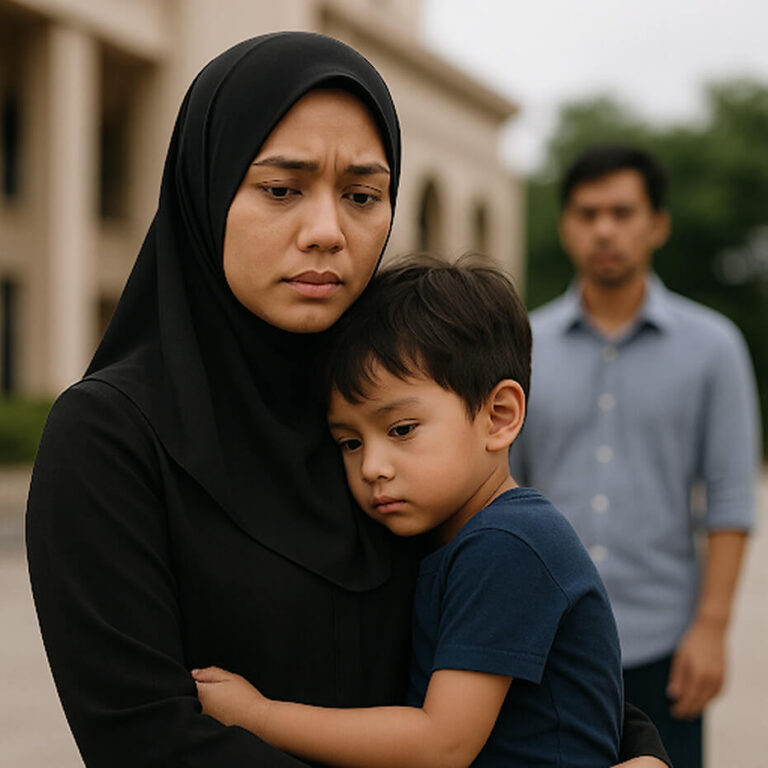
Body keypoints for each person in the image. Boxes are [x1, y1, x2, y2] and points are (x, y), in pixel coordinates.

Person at [26, 34, 669, 768]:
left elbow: (527, 651)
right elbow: (146, 737)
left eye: (362, 196)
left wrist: (640, 750)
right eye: (281, 188)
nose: (328, 231)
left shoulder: (386, 398)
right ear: (206, 192)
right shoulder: (111, 439)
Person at [191, 257, 625, 768]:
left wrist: (257, 716)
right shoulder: (453, 536)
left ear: (499, 417)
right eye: (349, 442)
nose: (373, 467)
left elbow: (441, 743)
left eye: (401, 430)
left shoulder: (509, 542)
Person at [509, 144, 759, 768]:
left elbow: (730, 499)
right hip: (546, 642)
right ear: (565, 224)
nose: (604, 230)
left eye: (622, 212)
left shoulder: (713, 347)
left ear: (657, 224)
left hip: (664, 646)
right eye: (587, 213)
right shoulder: (521, 345)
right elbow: (504, 488)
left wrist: (712, 629)